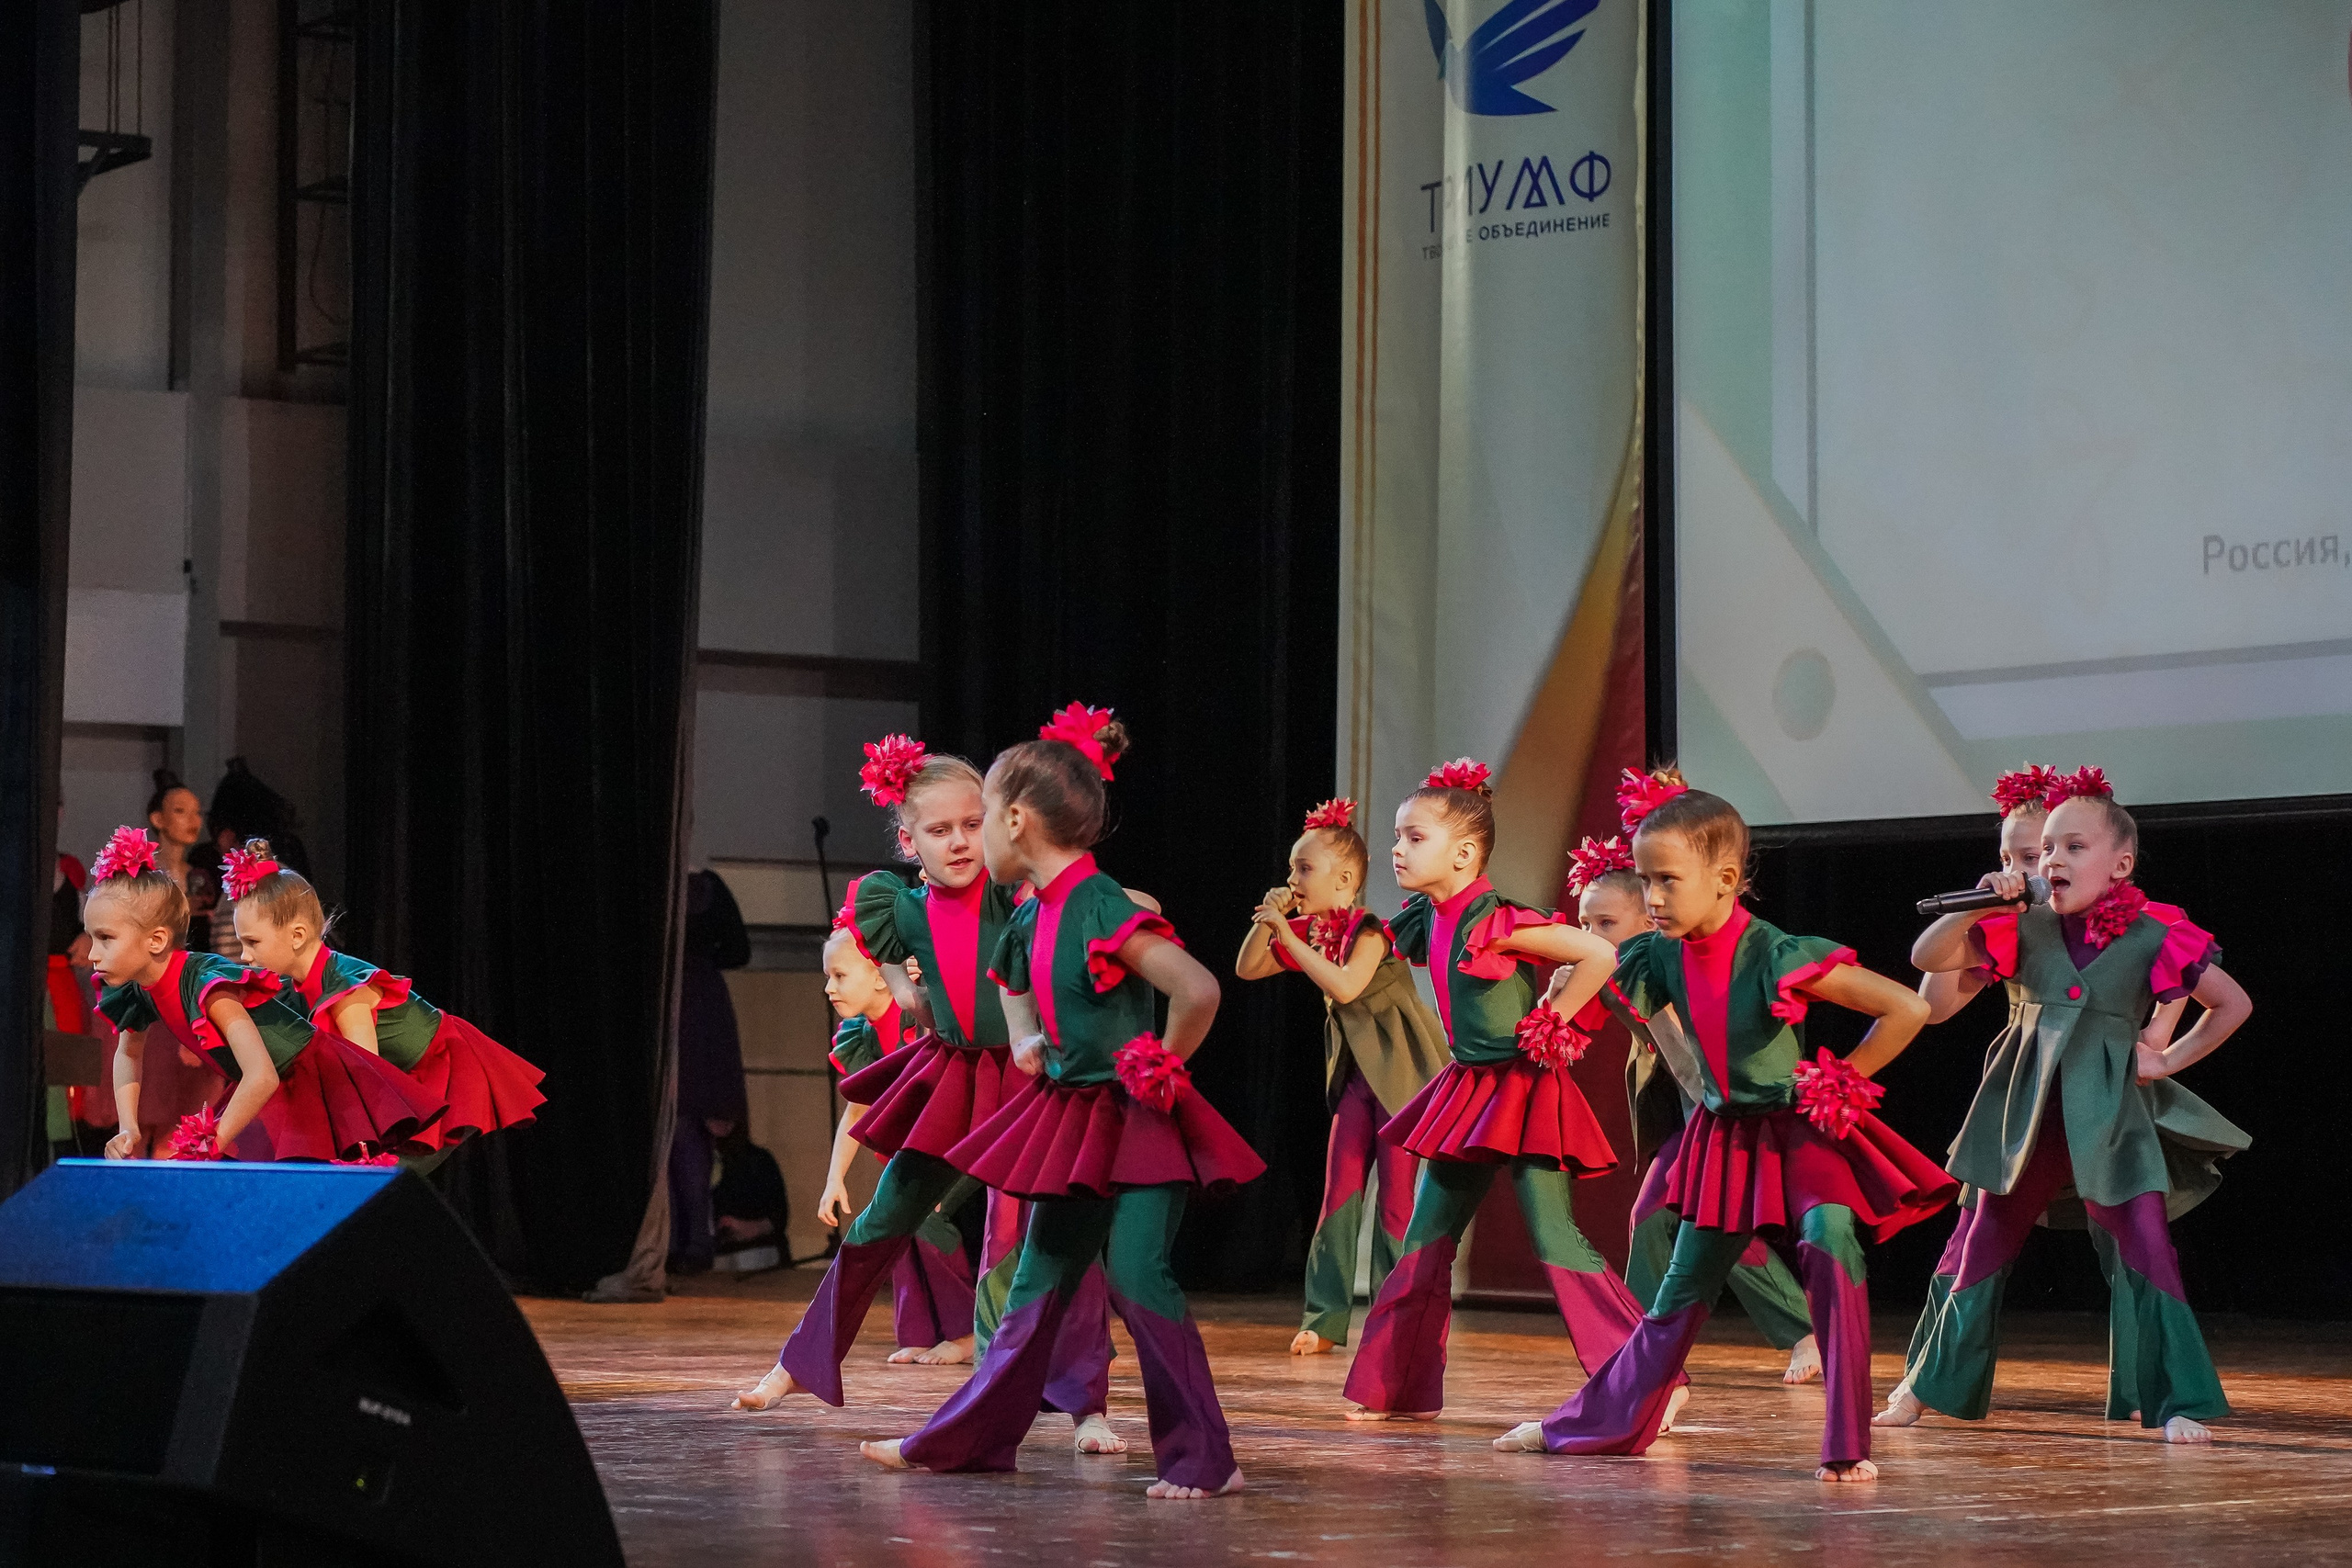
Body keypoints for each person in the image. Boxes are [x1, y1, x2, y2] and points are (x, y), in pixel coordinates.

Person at [1498, 769, 1955, 1483]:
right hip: (1724, 1139)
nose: (1651, 897)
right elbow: (1618, 988)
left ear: (1726, 877)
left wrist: (1843, 1076)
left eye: (1667, 881)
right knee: (1679, 1295)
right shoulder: (1659, 952)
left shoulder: (1773, 952)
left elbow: (1908, 1007)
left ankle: (1846, 1442)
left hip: (1796, 1131)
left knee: (1832, 1243)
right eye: (1645, 881)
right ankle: (1584, 1424)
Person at [861, 705, 1262, 1500]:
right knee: (1038, 1282)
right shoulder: (1034, 909)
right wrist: (1024, 1039)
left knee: (1140, 1278)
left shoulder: (1097, 902)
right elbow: (1012, 975)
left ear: (1015, 819)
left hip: (1138, 1120)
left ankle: (1207, 1462)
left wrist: (1161, 1062)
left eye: (986, 821)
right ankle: (965, 1440)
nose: (976, 843)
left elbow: (1197, 987)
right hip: (1077, 1118)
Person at [734, 735, 1120, 1458]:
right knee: (881, 1223)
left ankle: (1084, 1405)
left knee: (1064, 1235)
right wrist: (904, 986)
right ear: (909, 840)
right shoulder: (899, 906)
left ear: (999, 821)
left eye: (972, 824)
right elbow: (871, 937)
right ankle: (798, 1361)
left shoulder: (1015, 893)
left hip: (1027, 1076)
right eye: (938, 830)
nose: (958, 841)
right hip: (952, 1078)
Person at [1891, 767, 2250, 1444]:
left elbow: (2231, 1002)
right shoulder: (2020, 925)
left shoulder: (2151, 934)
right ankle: (1930, 1382)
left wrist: (2166, 1056)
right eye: (2044, 849)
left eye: (2070, 847)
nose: (2051, 860)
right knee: (1982, 1245)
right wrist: (1980, 902)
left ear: (2121, 864)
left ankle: (2177, 1398)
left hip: (2113, 1122)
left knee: (2148, 1249)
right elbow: (1926, 951)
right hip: (2024, 1117)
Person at [1339, 760, 1649, 1424]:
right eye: (1397, 835)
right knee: (1426, 1237)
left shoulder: (1498, 919)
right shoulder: (1432, 915)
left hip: (1524, 1089)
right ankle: (1398, 1383)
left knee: (1554, 1236)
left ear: (1465, 852)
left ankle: (1647, 1376)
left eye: (1414, 837)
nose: (1396, 847)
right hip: (1468, 1089)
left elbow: (1598, 954)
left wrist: (1552, 1018)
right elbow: (1364, 967)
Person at [1567, 834, 1821, 1386]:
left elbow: (1690, 1065)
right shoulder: (1629, 971)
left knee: (1666, 1215)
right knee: (1706, 1221)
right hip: (1684, 1112)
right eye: (1585, 925)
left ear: (1647, 921)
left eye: (1605, 925)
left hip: (1716, 1110)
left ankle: (1632, 1351)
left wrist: (1618, 995)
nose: (1591, 937)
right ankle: (1797, 1329)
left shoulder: (1670, 964)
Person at [86, 827, 443, 1162]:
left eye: (105, 938)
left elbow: (262, 1075)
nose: (92, 953)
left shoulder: (207, 985)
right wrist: (128, 1127)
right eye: (92, 937)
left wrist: (212, 1143)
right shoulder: (137, 989)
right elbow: (128, 1053)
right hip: (271, 1088)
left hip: (313, 1078)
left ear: (157, 940)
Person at [1234, 796, 1446, 1355]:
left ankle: (1392, 1320)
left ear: (1345, 879)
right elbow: (1247, 968)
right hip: (1357, 1078)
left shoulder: (1370, 930)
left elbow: (1347, 986)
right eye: (1291, 869)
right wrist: (1272, 922)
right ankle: (1324, 1317)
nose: (1293, 878)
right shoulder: (1314, 936)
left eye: (1303, 869)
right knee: (1339, 1192)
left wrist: (1289, 932)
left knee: (1398, 1200)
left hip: (1400, 1077)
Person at [224, 839, 545, 1151]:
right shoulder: (290, 990)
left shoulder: (347, 991)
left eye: (252, 942)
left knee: (378, 1186)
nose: (245, 956)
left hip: (442, 1073)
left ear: (297, 935)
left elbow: (369, 1084)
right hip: (397, 1083)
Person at [817, 917, 980, 1364]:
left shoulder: (916, 1016)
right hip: (921, 1150)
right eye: (828, 976)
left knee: (926, 1215)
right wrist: (835, 1179)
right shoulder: (865, 1036)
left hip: (967, 1136)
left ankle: (966, 1332)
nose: (830, 987)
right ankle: (921, 1332)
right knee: (897, 1219)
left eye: (840, 975)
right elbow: (857, 1109)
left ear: (878, 976)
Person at [672, 866, 752, 1275]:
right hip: (700, 999)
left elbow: (740, 950)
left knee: (683, 1124)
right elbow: (738, 949)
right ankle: (691, 1242)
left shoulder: (697, 885)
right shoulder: (706, 887)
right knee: (689, 1126)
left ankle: (684, 1242)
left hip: (684, 1003)